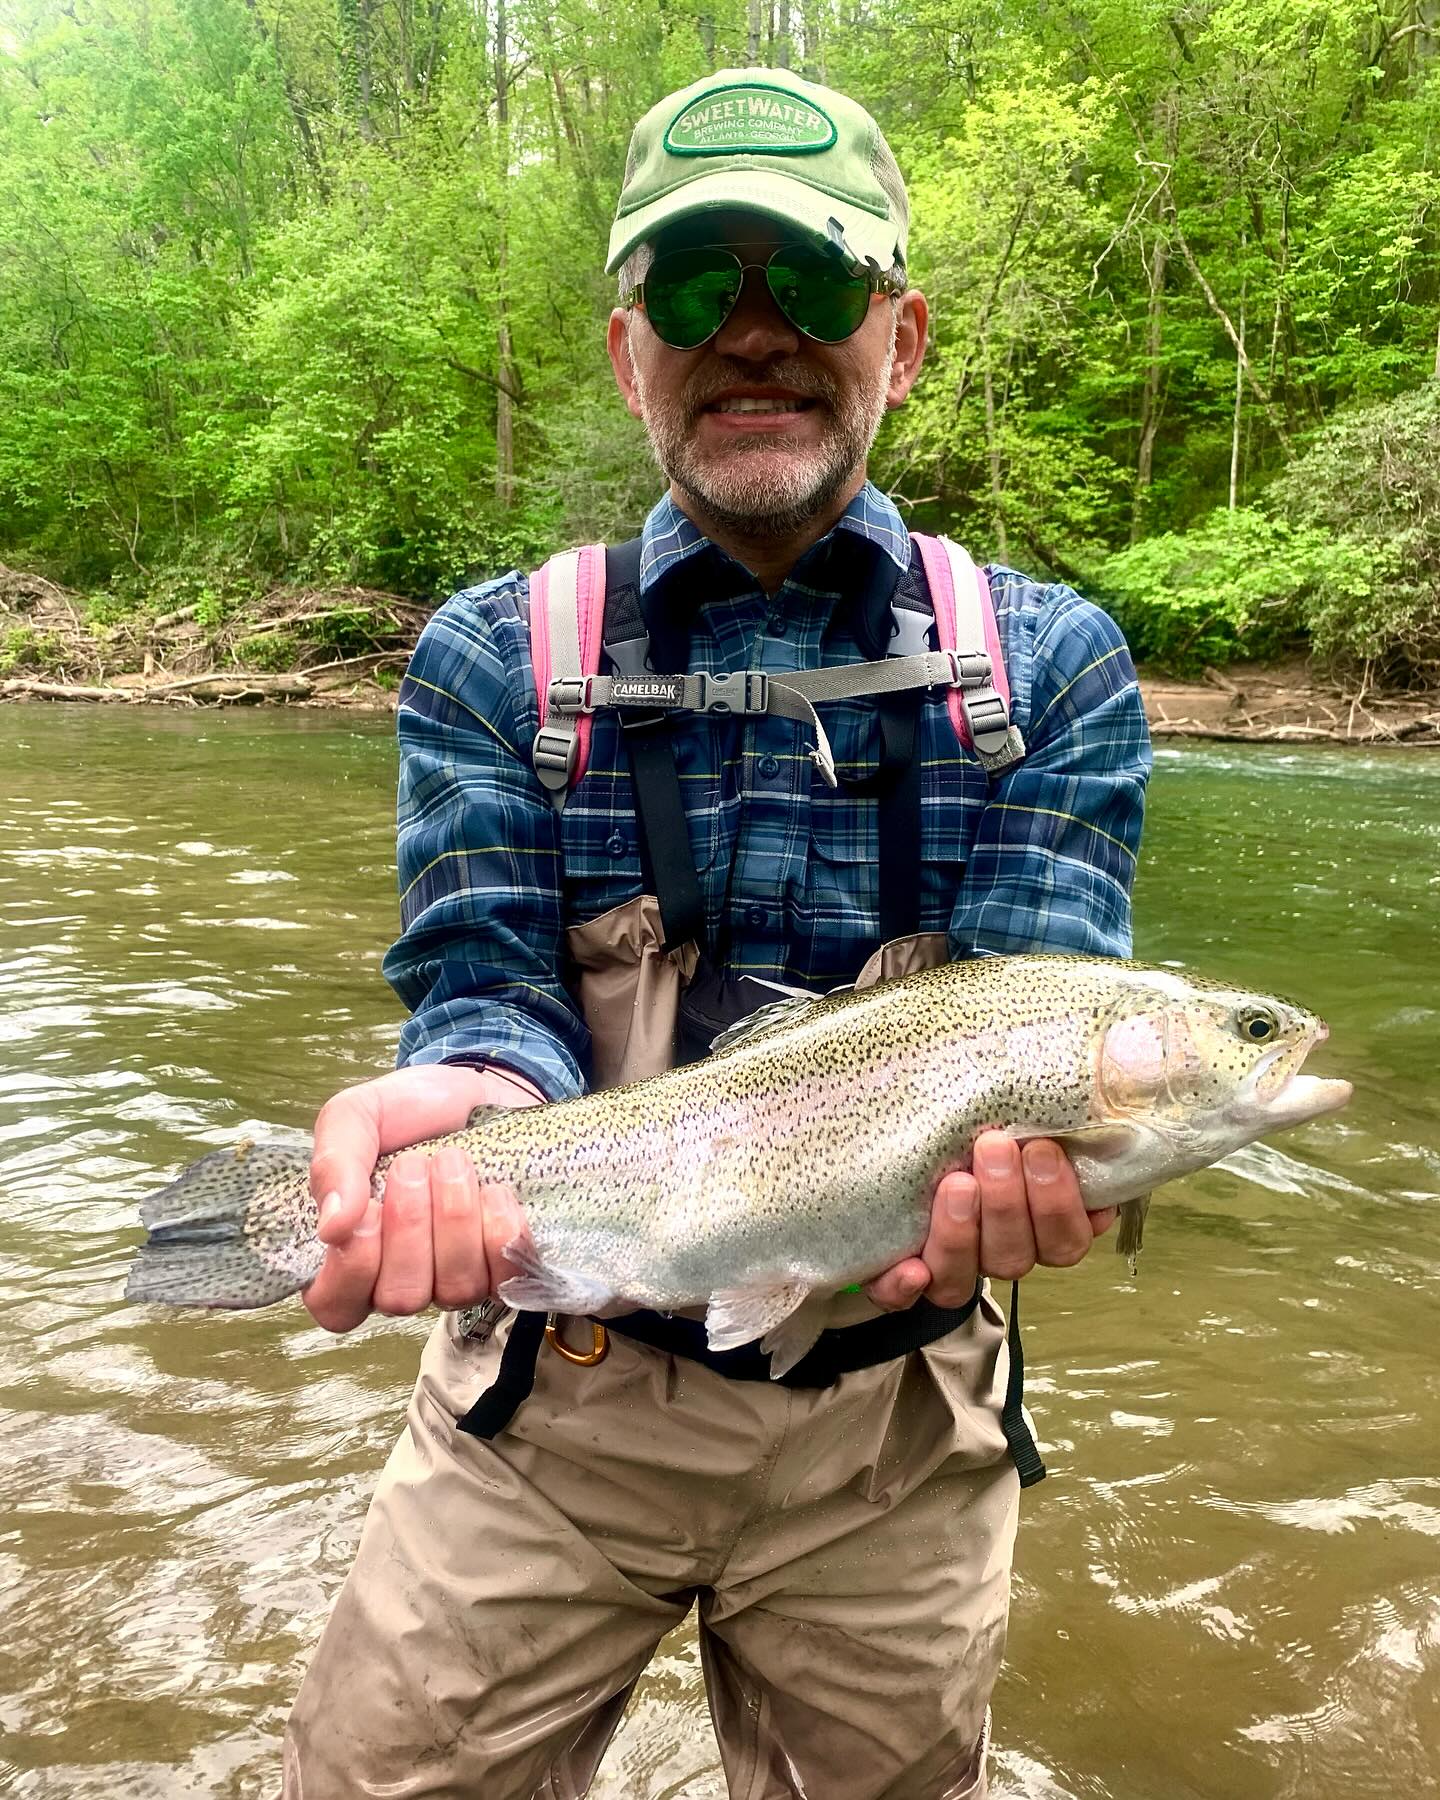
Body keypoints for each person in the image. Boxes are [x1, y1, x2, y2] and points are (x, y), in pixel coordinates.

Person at [281, 67, 1151, 1800]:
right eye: (694, 289)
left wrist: (1075, 1165)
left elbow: (1040, 1009)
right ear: (628, 356)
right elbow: (488, 990)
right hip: (552, 1401)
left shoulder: (1052, 670)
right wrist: (464, 1099)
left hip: (897, 1431)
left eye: (811, 285)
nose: (753, 333)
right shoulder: (492, 658)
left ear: (899, 340)